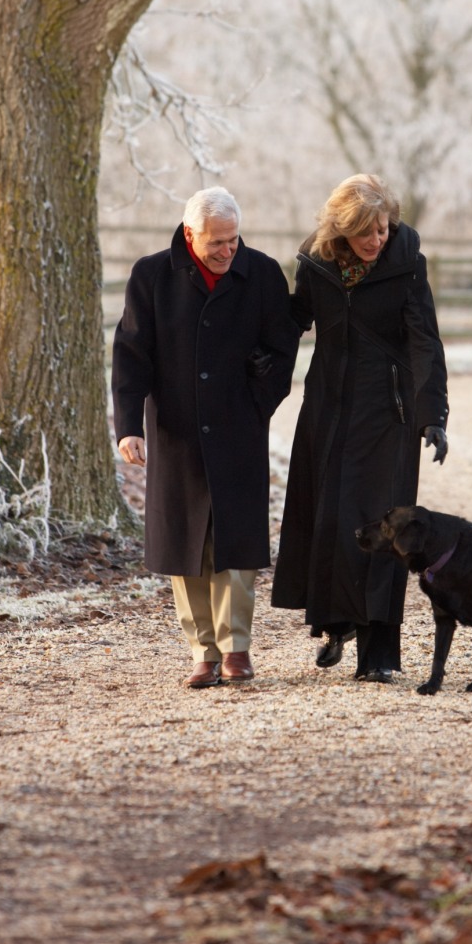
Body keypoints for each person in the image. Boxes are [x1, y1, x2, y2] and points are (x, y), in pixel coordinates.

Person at [112, 188, 299, 688]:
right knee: (186, 541)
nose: (227, 250)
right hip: (176, 430)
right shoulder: (151, 276)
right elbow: (131, 354)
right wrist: (129, 425)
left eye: (233, 239)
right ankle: (203, 651)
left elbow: (282, 349)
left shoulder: (260, 273)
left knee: (234, 539)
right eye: (217, 242)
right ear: (189, 233)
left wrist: (259, 403)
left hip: (240, 427)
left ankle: (236, 647)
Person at [271, 173, 448, 683]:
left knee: (384, 525)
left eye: (384, 229)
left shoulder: (406, 263)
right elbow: (294, 319)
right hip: (327, 405)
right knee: (329, 515)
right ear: (342, 229)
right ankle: (334, 625)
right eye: (367, 232)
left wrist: (432, 414)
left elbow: (424, 342)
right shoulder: (317, 262)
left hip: (387, 412)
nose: (378, 240)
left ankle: (378, 656)